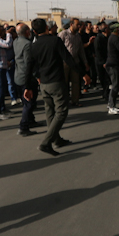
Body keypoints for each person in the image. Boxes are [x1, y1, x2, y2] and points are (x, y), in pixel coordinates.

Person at [23, 18, 90, 156]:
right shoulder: (55, 41)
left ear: (34, 31)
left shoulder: (33, 46)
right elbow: (68, 59)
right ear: (47, 28)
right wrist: (83, 74)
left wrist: (27, 87)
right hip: (56, 82)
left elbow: (29, 68)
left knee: (50, 112)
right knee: (61, 111)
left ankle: (56, 139)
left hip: (44, 84)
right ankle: (46, 143)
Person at [13, 22, 38, 137]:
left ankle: (30, 120)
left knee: (25, 101)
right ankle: (23, 127)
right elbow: (29, 64)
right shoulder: (28, 45)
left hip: (18, 76)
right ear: (27, 32)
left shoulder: (15, 42)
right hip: (26, 77)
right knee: (29, 103)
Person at [59, 18, 89, 107]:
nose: (79, 26)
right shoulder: (63, 34)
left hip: (75, 62)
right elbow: (58, 47)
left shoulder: (78, 36)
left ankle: (75, 100)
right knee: (64, 83)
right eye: (77, 24)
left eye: (79, 24)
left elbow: (81, 51)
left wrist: (85, 62)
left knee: (76, 82)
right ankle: (64, 101)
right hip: (65, 62)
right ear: (71, 24)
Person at [105, 23, 119, 115]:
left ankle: (110, 104)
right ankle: (111, 106)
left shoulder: (112, 37)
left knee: (115, 84)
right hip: (113, 65)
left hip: (112, 64)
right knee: (115, 85)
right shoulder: (114, 38)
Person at [93, 22, 110, 101]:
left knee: (106, 78)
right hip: (100, 62)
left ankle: (106, 93)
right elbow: (98, 51)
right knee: (102, 78)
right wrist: (103, 62)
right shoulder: (98, 38)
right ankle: (105, 93)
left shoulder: (107, 37)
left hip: (106, 60)